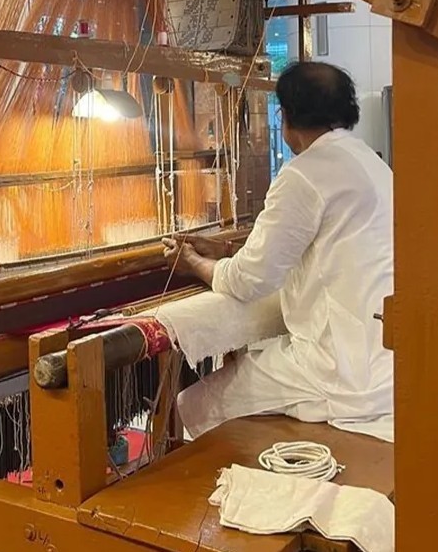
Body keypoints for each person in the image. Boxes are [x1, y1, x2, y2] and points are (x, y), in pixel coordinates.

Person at [162, 61, 394, 439]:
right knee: (250, 369)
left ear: (285, 116)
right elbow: (309, 242)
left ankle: (199, 489)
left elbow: (248, 281)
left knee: (192, 405)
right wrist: (222, 250)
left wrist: (193, 262)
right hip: (384, 360)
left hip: (340, 369)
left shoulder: (303, 174)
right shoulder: (370, 162)